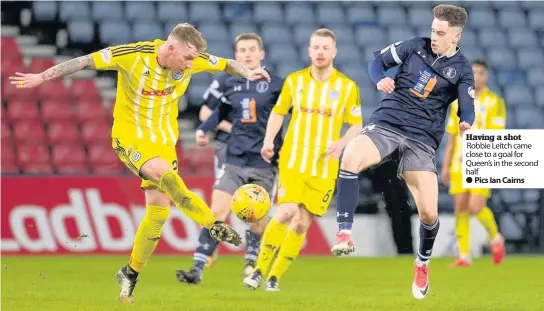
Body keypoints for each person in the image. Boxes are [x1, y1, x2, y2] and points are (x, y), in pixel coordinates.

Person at [9, 23, 272, 303]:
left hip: (164, 142)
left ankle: (129, 273)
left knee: (158, 214)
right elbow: (85, 61)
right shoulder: (134, 55)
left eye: (193, 60)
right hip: (131, 138)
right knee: (166, 177)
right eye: (186, 59)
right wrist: (43, 76)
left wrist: (249, 72)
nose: (190, 65)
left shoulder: (191, 61)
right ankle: (212, 223)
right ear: (171, 48)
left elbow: (228, 64)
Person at [330, 5, 475, 300]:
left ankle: (422, 263)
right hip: (388, 123)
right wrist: (379, 78)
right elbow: (376, 63)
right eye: (433, 30)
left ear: (456, 35)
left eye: (441, 33)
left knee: (429, 213)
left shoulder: (461, 68)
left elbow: (467, 105)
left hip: (422, 139)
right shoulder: (414, 46)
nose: (434, 36)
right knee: (350, 158)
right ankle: (344, 231)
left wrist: (466, 123)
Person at [244, 28, 363, 292]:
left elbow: (356, 125)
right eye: (315, 48)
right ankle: (258, 271)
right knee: (285, 212)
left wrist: (341, 143)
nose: (320, 53)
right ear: (309, 51)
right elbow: (278, 113)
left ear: (334, 52)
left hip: (323, 167)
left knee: (301, 223)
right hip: (293, 160)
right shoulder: (294, 81)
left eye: (325, 48)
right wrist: (267, 141)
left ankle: (274, 276)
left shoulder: (347, 87)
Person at [176, 33, 284, 284]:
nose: (246, 54)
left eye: (251, 49)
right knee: (216, 212)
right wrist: (205, 128)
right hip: (233, 158)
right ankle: (198, 268)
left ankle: (253, 260)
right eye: (242, 50)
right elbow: (216, 111)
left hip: (264, 163)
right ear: (235, 56)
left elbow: (293, 115)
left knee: (256, 219)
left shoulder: (278, 84)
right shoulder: (228, 81)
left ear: (262, 54)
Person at [441, 59, 506, 267]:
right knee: (460, 208)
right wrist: (445, 165)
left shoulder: (494, 102)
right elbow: (451, 137)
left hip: (482, 160)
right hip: (459, 163)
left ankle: (496, 238)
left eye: (480, 73)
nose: (476, 77)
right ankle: (464, 255)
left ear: (485, 76)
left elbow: (497, 135)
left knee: (476, 206)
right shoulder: (457, 102)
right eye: (473, 73)